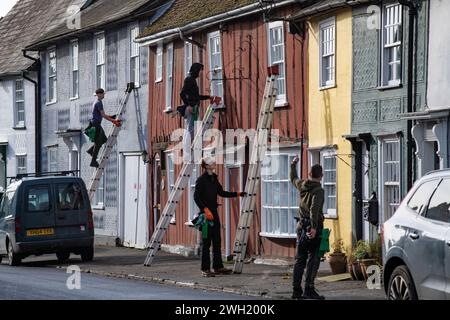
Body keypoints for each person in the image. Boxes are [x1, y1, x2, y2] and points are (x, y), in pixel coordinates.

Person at [194, 158, 247, 277]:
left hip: (214, 214)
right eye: (211, 162)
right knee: (206, 243)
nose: (214, 163)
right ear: (206, 166)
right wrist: (205, 209)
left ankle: (218, 267)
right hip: (205, 216)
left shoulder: (214, 178)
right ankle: (205, 269)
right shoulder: (201, 180)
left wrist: (238, 194)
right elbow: (196, 197)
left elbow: (222, 193)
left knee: (217, 241)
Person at [290, 157, 325, 300]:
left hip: (300, 227)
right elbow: (314, 209)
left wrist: (293, 164)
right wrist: (314, 227)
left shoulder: (302, 184)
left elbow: (293, 178)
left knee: (300, 260)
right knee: (314, 258)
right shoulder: (318, 190)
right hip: (311, 227)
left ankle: (296, 291)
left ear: (310, 174)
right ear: (321, 176)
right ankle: (309, 288)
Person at [180, 63, 212, 160]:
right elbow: (182, 93)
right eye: (200, 71)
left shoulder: (192, 80)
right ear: (196, 70)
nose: (200, 73)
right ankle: (187, 150)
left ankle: (190, 148)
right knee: (190, 129)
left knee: (192, 129)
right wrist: (188, 105)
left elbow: (196, 96)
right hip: (191, 108)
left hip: (194, 107)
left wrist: (208, 97)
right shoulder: (189, 79)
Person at [86, 88, 122, 168]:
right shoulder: (98, 103)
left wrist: (111, 117)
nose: (103, 95)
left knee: (104, 140)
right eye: (102, 94)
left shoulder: (97, 102)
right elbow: (103, 115)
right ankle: (93, 161)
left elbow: (101, 114)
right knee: (98, 142)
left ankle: (91, 151)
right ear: (98, 94)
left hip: (95, 123)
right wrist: (113, 121)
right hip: (95, 125)